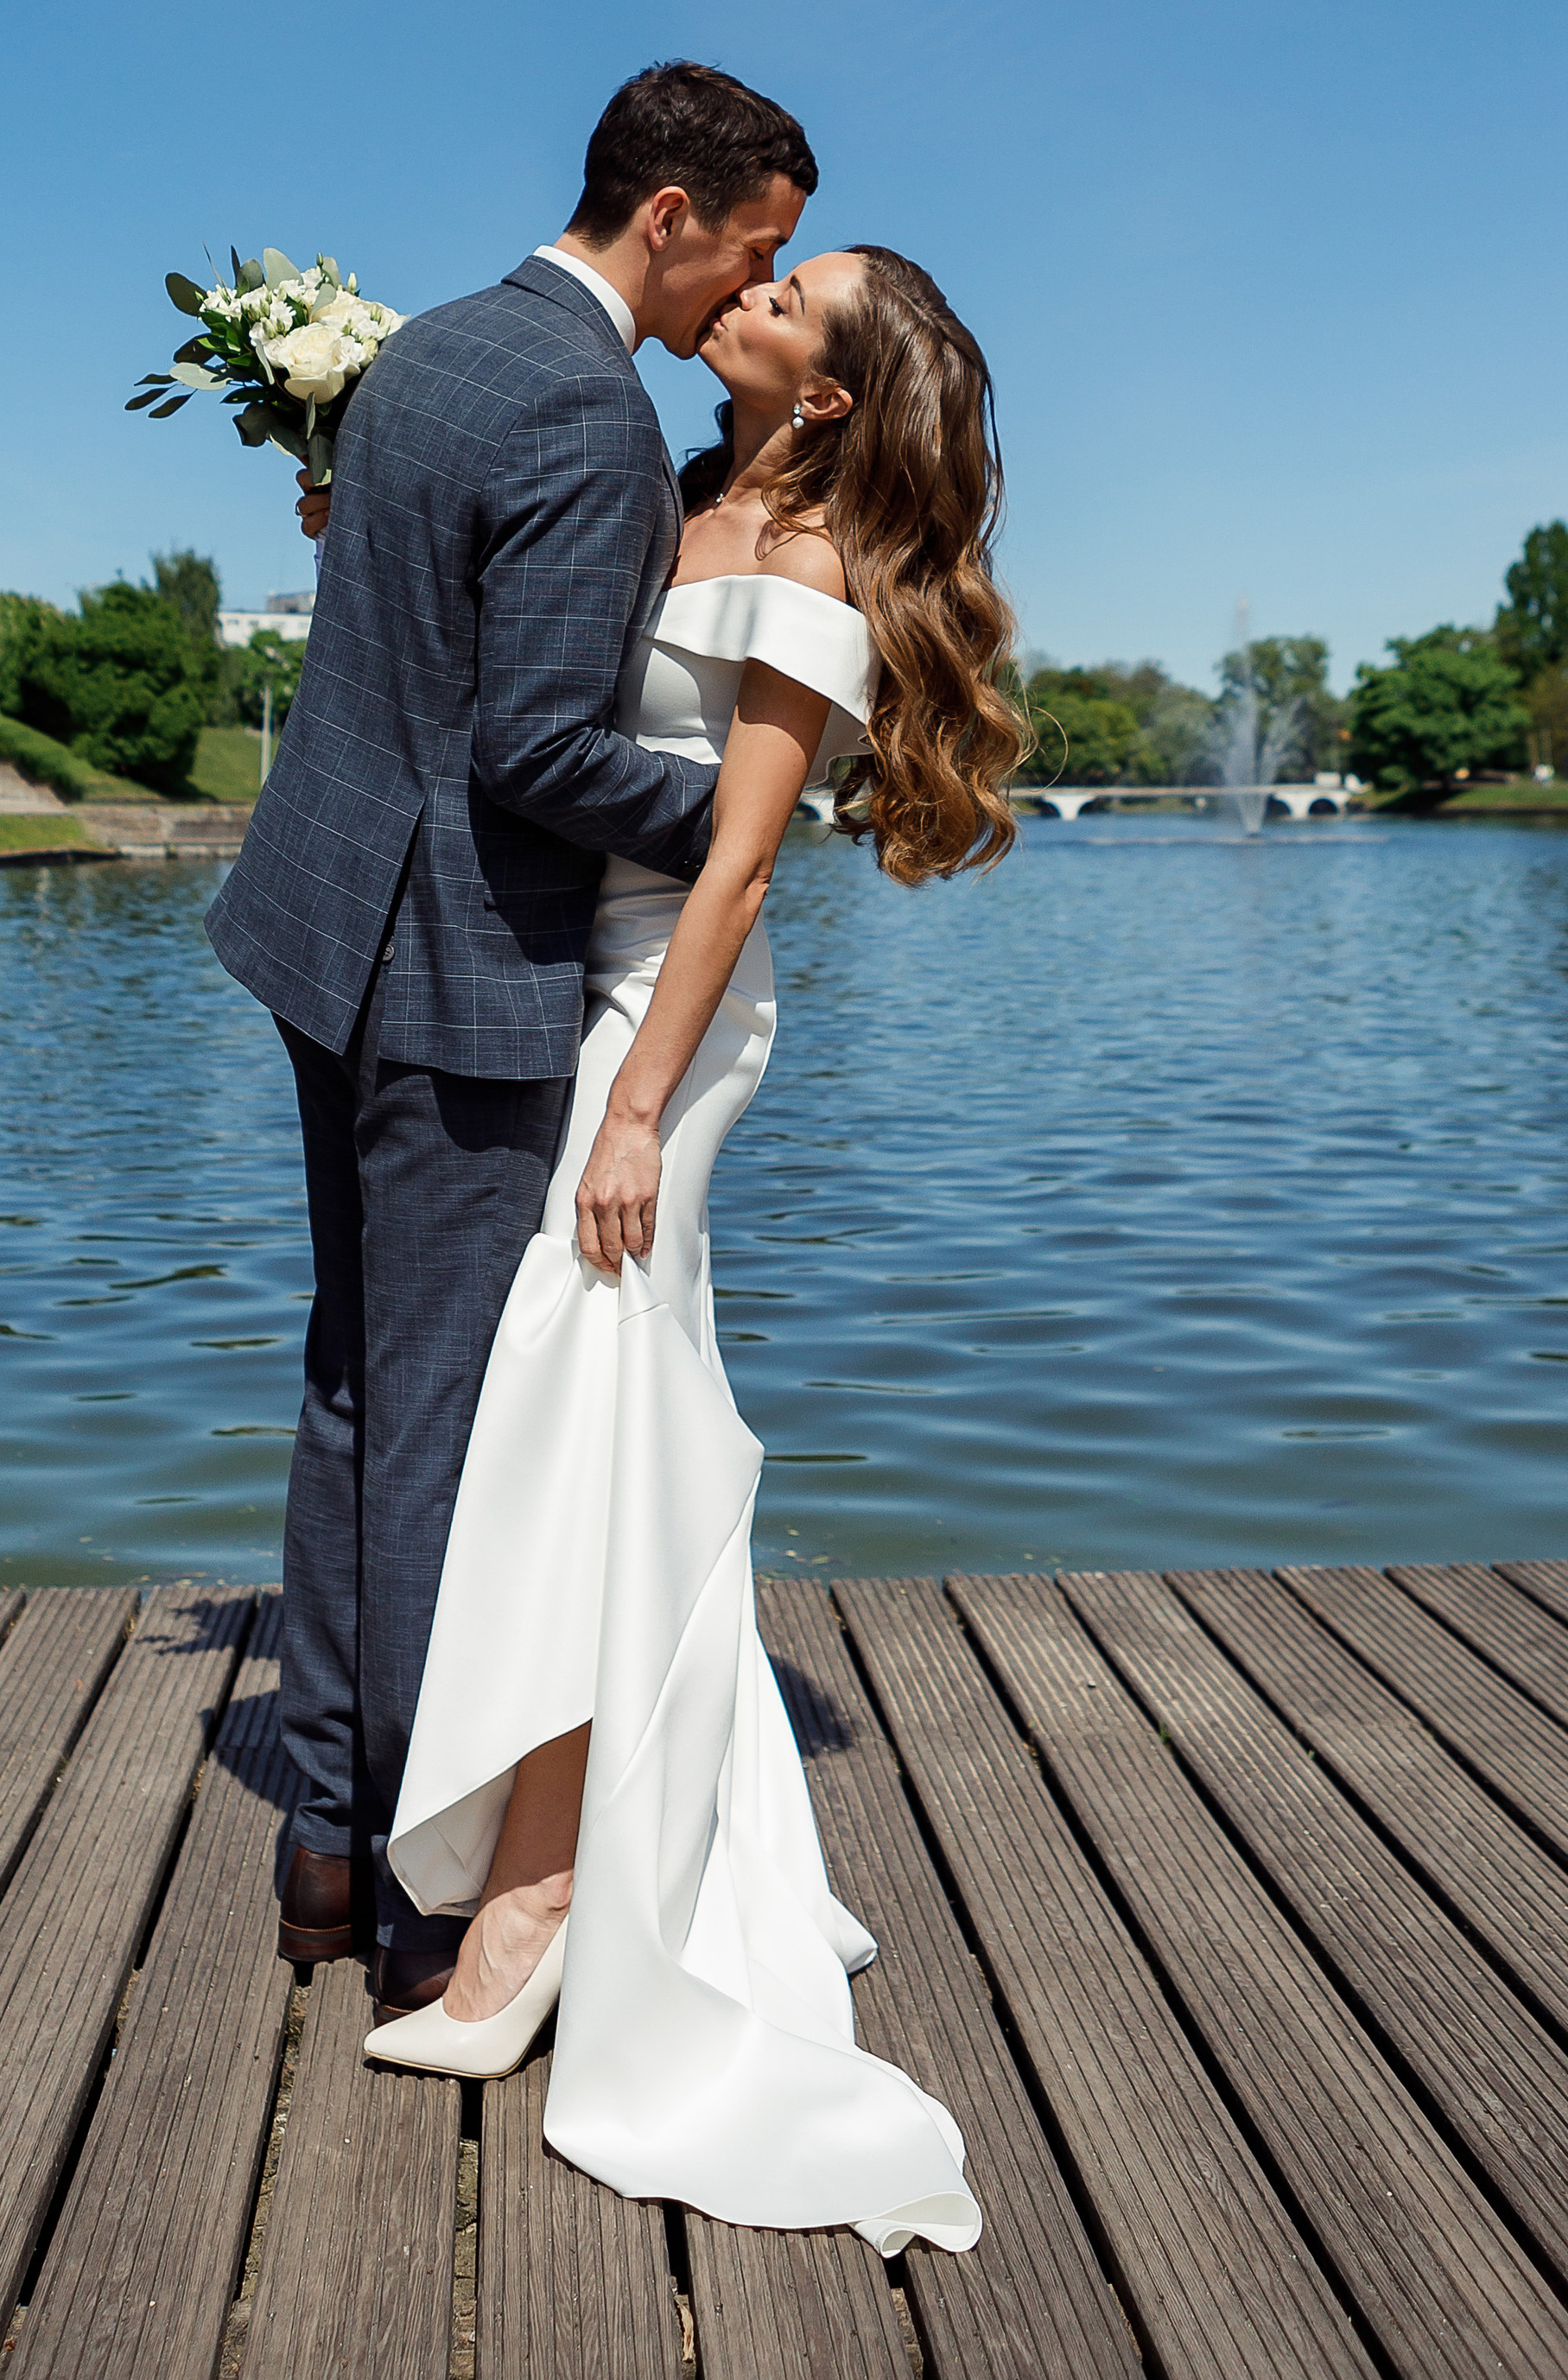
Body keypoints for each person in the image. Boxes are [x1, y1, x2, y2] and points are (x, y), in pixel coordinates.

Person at [370, 240, 1024, 2257]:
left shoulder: (809, 571)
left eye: (785, 290)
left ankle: (545, 1901)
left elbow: (736, 866)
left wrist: (638, 1105)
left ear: (818, 392)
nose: (745, 284)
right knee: (601, 1417)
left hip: (665, 1019)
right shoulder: (674, 493)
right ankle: (591, 1843)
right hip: (568, 986)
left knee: (584, 1386)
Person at [205, 61, 816, 2017]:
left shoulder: (439, 351)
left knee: (350, 1386)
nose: (753, 283)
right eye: (755, 243)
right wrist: (744, 823)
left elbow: (413, 639)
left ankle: (316, 1827)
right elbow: (536, 748)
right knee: (440, 1423)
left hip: (322, 924)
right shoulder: (581, 409)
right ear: (667, 217)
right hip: (454, 975)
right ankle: (401, 1875)